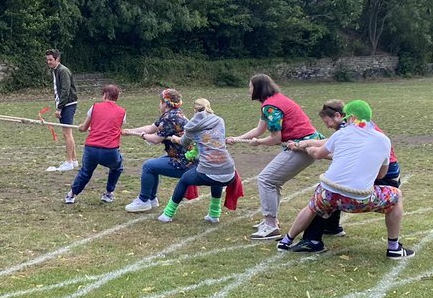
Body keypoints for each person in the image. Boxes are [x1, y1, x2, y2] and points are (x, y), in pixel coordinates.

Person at [277, 99, 412, 259]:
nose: (343, 121)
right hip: (362, 193)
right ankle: (393, 247)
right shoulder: (379, 138)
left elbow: (329, 153)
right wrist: (304, 144)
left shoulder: (345, 132)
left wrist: (306, 147)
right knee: (385, 193)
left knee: (323, 197)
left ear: (352, 117)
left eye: (346, 117)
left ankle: (289, 240)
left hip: (338, 191)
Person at [228, 74, 324, 242]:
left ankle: (271, 226)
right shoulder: (272, 102)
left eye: (250, 86)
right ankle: (271, 221)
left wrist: (259, 143)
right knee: (272, 180)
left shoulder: (271, 106)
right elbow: (258, 130)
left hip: (301, 148)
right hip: (300, 146)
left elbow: (275, 138)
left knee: (266, 179)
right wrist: (237, 139)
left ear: (258, 88)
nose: (248, 90)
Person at [158, 98, 235, 225]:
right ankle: (214, 214)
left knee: (184, 180)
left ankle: (168, 214)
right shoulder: (220, 120)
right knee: (217, 179)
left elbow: (184, 143)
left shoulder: (191, 127)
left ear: (194, 110)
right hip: (229, 170)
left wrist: (175, 139)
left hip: (209, 170)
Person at [122, 89, 188, 212]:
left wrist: (142, 136)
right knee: (153, 165)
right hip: (179, 156)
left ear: (165, 103)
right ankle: (151, 199)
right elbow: (151, 128)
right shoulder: (173, 114)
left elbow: (155, 139)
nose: (159, 104)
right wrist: (130, 131)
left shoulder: (170, 118)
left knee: (148, 166)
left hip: (183, 161)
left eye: (160, 102)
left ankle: (143, 201)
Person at [64, 84, 125, 204]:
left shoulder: (95, 107)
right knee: (117, 168)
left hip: (91, 148)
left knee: (85, 172)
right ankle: (108, 193)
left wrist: (81, 127)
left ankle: (71, 195)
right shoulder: (122, 111)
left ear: (105, 95)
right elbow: (115, 126)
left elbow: (84, 128)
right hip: (110, 150)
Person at [45, 49, 78, 171]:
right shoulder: (55, 71)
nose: (48, 62)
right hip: (65, 104)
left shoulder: (63, 71)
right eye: (47, 59)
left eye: (51, 60)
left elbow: (65, 90)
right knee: (68, 133)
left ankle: (68, 162)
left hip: (68, 105)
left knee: (66, 133)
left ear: (57, 59)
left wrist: (59, 108)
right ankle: (74, 161)